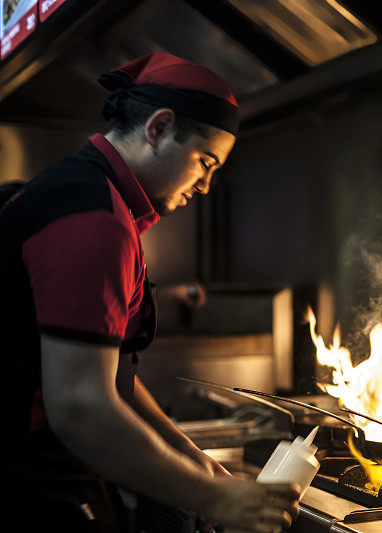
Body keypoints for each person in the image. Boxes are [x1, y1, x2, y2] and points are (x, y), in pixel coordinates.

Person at [0, 52, 300, 532]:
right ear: (159, 127)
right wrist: (213, 498)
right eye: (205, 162)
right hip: (27, 483)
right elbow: (79, 407)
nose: (205, 185)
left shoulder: (97, 200)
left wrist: (198, 465)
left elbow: (114, 377)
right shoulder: (92, 218)